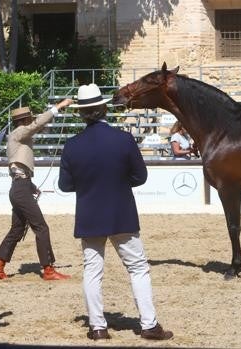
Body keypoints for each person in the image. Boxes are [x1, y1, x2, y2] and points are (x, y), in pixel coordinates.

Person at [58, 83, 173, 341]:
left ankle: (97, 327)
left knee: (92, 271)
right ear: (104, 109)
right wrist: (119, 182)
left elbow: (65, 186)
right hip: (121, 212)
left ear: (81, 113)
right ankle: (149, 324)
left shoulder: (72, 145)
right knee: (138, 268)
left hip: (89, 214)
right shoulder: (123, 139)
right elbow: (140, 176)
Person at [0, 100, 73, 281]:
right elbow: (38, 124)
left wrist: (30, 186)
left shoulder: (18, 136)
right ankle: (48, 270)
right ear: (26, 119)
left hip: (20, 187)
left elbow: (18, 169)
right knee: (41, 227)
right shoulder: (19, 132)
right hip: (21, 188)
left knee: (17, 230)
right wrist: (57, 108)